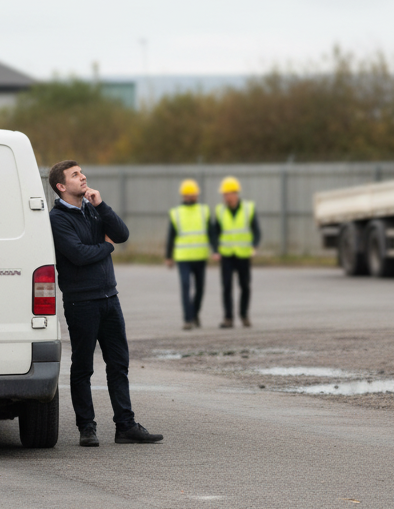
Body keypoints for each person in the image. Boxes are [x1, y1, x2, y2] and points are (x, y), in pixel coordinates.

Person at [48, 160, 163, 448]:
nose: (83, 177)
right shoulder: (57, 218)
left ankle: (125, 425)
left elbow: (122, 234)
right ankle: (87, 427)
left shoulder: (92, 210)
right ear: (61, 186)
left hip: (109, 298)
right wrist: (107, 247)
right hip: (81, 302)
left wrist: (101, 206)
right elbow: (77, 254)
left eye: (81, 172)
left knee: (118, 364)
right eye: (75, 175)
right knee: (83, 367)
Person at [211, 176, 260, 329]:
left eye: (228, 194)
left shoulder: (248, 208)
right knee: (226, 286)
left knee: (245, 285)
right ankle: (228, 318)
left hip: (244, 254)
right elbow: (214, 232)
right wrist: (215, 249)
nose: (226, 197)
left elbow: (256, 231)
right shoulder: (220, 210)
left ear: (235, 193)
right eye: (224, 194)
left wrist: (254, 246)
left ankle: (244, 315)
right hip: (226, 254)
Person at [165, 179, 211, 330]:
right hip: (183, 257)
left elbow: (212, 233)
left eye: (193, 195)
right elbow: (171, 236)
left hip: (200, 256)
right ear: (183, 196)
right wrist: (168, 256)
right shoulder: (176, 213)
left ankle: (195, 313)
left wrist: (216, 250)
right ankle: (188, 319)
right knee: (185, 286)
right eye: (187, 195)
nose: (190, 198)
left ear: (197, 195)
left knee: (200, 288)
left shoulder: (204, 211)